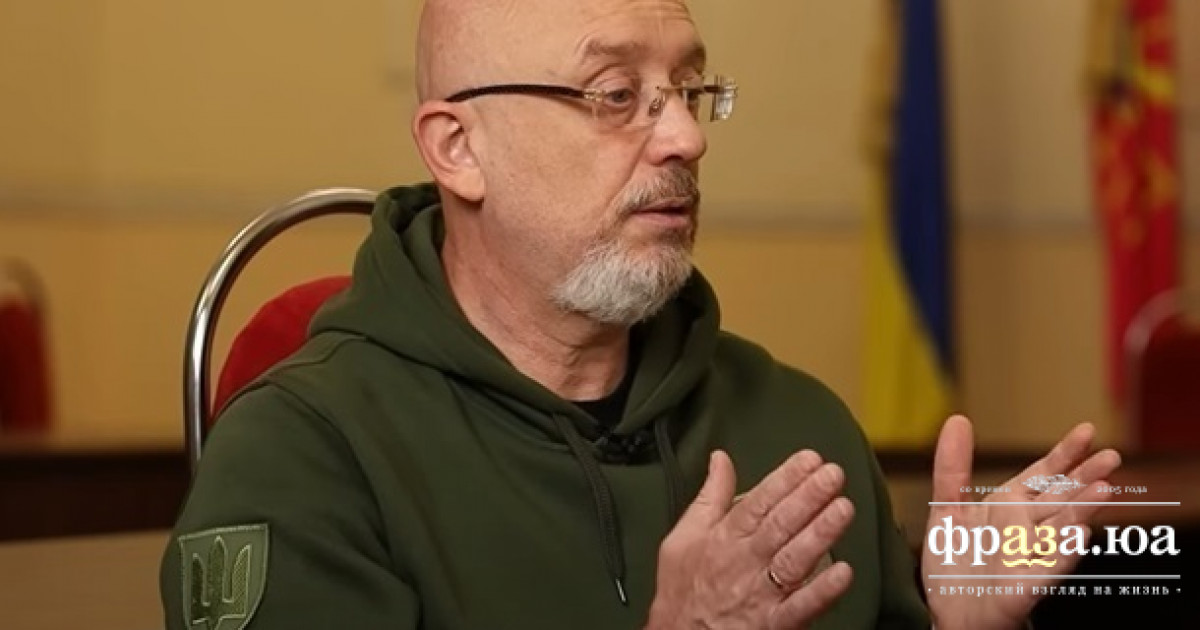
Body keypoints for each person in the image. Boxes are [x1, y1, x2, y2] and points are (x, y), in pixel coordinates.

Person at [160, 1, 1121, 628]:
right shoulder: (301, 456)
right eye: (618, 94)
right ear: (458, 148)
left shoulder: (800, 430)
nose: (687, 137)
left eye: (692, 89)